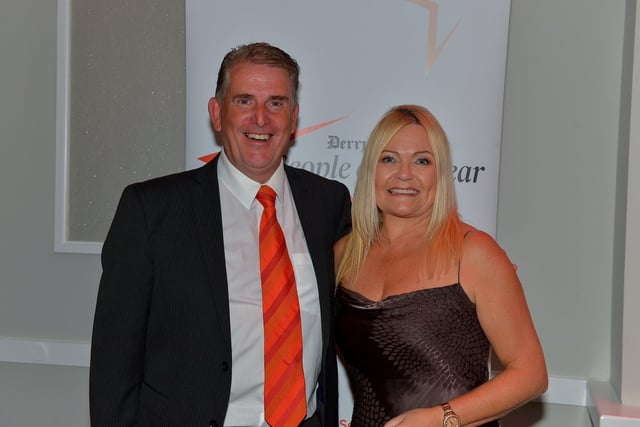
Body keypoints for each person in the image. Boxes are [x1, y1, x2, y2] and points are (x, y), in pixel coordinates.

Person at [89, 42, 352, 427]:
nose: (260, 119)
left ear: (294, 118)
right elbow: (114, 364)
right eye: (244, 101)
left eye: (276, 103)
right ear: (217, 113)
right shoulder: (150, 211)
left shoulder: (328, 203)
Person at [334, 105, 547, 427]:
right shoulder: (343, 254)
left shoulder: (473, 253)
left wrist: (442, 418)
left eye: (422, 160)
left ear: (440, 173)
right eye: (389, 158)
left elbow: (530, 374)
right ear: (370, 170)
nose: (404, 173)